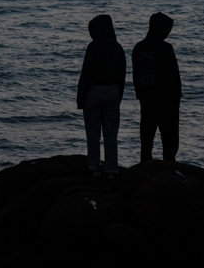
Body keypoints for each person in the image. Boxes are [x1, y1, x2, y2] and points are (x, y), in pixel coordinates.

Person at [76, 14, 126, 179]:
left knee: (93, 133)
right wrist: (118, 96)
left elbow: (86, 74)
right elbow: (122, 74)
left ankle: (96, 168)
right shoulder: (117, 47)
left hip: (94, 91)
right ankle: (111, 170)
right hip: (113, 90)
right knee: (111, 134)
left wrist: (80, 98)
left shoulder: (93, 47)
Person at [132, 12, 181, 162]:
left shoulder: (138, 47)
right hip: (167, 102)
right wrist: (177, 98)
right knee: (169, 144)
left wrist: (140, 95)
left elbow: (136, 76)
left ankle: (145, 170)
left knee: (146, 142)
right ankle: (169, 172)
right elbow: (174, 77)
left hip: (147, 100)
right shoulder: (166, 48)